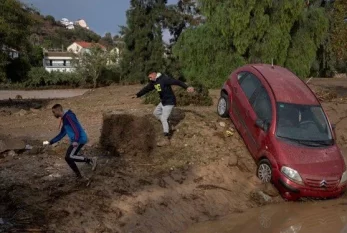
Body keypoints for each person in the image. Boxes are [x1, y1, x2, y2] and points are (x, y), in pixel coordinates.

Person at [135, 72, 194, 147]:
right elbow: (147, 89)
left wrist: (187, 87)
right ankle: (168, 124)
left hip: (170, 102)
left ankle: (166, 139)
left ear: (154, 74)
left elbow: (177, 82)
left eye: (150, 77)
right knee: (156, 113)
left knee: (163, 118)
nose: (149, 79)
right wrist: (137, 95)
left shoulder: (164, 79)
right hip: (163, 102)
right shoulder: (153, 82)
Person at [43, 104, 97, 178]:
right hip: (76, 139)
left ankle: (90, 160)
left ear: (58, 110)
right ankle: (79, 176)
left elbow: (76, 128)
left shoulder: (69, 116)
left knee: (69, 156)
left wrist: (75, 140)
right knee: (68, 157)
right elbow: (62, 134)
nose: (53, 114)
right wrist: (51, 142)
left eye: (54, 112)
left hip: (79, 139)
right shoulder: (65, 118)